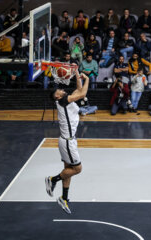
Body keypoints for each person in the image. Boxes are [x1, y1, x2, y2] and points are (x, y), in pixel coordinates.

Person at [45, 71, 89, 214]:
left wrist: (77, 73)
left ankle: (64, 198)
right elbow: (82, 94)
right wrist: (87, 79)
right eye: (60, 90)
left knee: (68, 171)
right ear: (57, 96)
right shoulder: (63, 101)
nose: (63, 89)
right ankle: (52, 179)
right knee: (77, 169)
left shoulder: (65, 100)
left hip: (66, 141)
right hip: (68, 142)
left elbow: (79, 90)